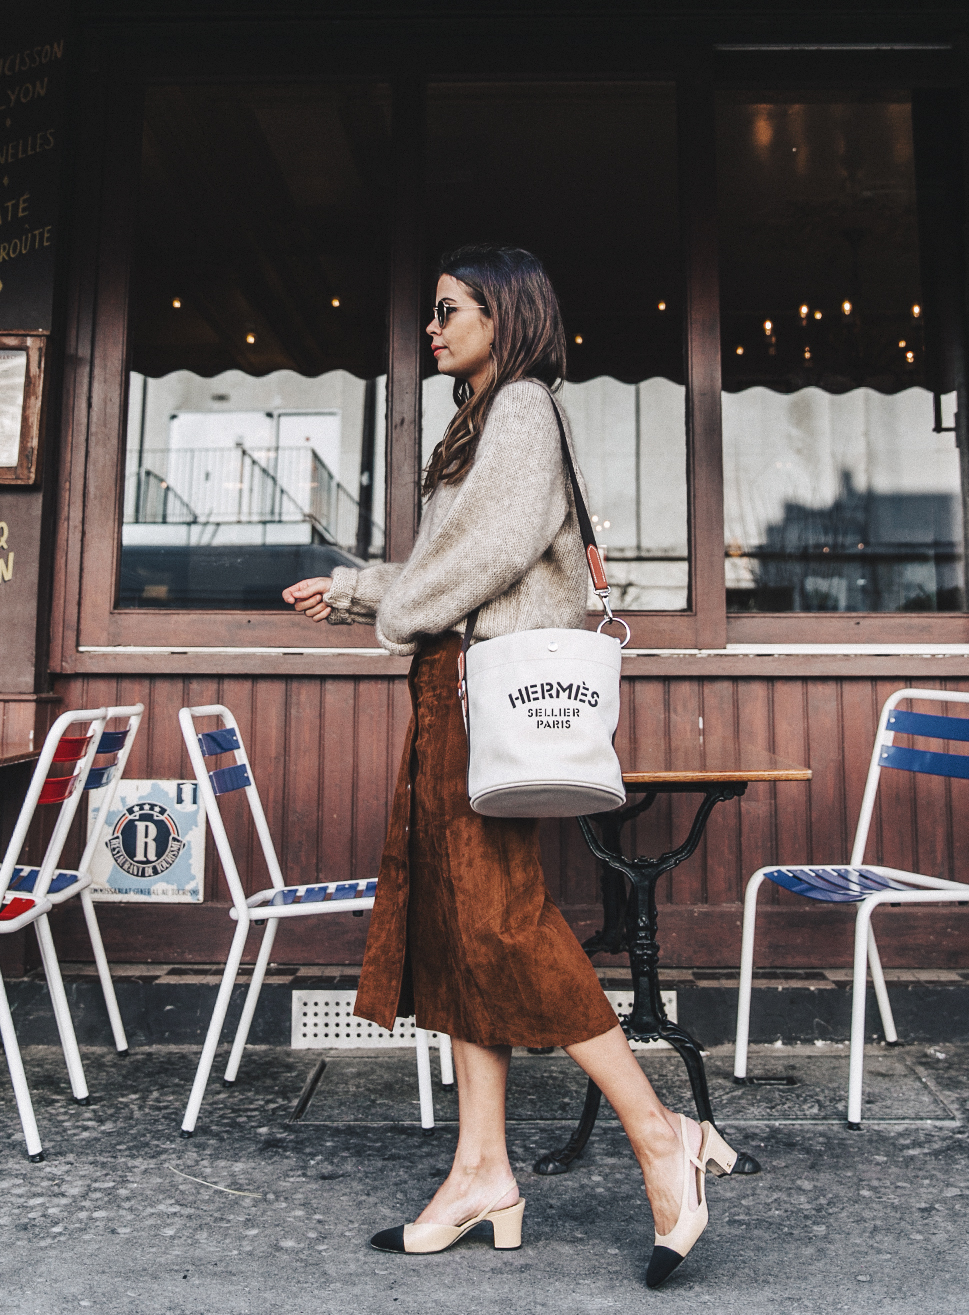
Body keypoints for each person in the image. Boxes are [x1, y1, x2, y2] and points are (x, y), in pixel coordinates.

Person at [282, 245, 735, 1288]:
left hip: (480, 693)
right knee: (456, 926)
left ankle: (662, 1133)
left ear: (506, 317)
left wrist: (386, 606)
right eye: (431, 312)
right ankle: (482, 1170)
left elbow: (488, 552)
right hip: (451, 690)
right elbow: (465, 559)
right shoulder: (481, 419)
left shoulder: (525, 408)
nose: (431, 327)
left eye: (449, 311)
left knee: (501, 918)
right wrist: (358, 594)